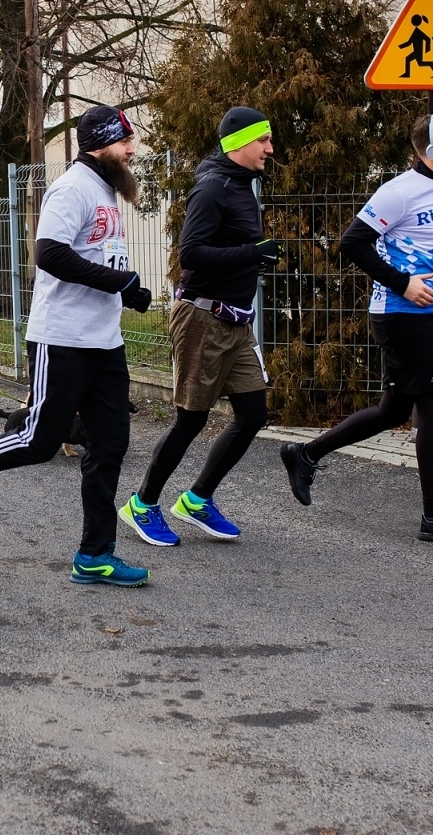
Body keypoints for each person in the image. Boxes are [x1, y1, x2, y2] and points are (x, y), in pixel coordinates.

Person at [0, 105, 156, 587]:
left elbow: (96, 254)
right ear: (101, 144)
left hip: (104, 341)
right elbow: (48, 254)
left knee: (110, 443)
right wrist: (122, 282)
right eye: (125, 141)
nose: (132, 150)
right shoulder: (72, 187)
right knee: (39, 440)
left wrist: (123, 287)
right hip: (62, 337)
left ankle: (95, 554)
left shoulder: (106, 190)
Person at [278, 112, 433, 545]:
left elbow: (419, 250)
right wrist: (404, 285)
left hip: (418, 313)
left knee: (393, 411)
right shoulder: (399, 192)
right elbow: (352, 243)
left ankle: (305, 453)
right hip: (399, 314)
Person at [122, 107, 276, 547]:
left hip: (236, 320)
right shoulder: (213, 189)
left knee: (252, 415)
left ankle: (195, 499)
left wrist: (255, 253)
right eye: (263, 140)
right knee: (191, 419)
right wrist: (251, 254)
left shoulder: (244, 184)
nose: (270, 147)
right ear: (239, 143)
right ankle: (142, 503)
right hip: (203, 318)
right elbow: (190, 254)